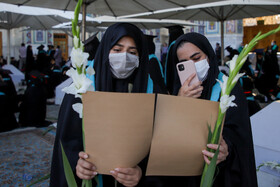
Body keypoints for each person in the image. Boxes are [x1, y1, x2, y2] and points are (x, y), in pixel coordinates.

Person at [50, 23, 166, 187]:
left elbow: (162, 148)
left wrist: (142, 173)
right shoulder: (81, 88)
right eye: (117, 50)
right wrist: (78, 164)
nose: (125, 57)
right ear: (105, 51)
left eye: (132, 52)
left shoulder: (153, 92)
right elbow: (67, 142)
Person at [170, 32, 257, 186]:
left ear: (209, 56)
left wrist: (227, 148)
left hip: (222, 176)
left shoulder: (228, 87)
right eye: (184, 62)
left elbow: (240, 135)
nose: (193, 66)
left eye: (196, 58)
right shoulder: (177, 91)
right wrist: (180, 103)